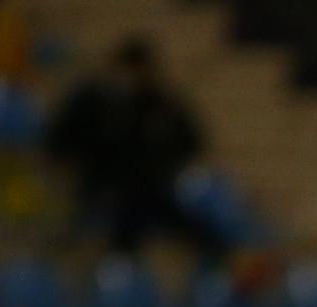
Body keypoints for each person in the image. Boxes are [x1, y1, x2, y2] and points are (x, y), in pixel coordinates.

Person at [45, 38, 225, 259]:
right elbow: (61, 140)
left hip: (151, 188)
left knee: (200, 231)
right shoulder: (93, 102)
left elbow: (190, 141)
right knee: (115, 228)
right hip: (103, 188)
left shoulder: (161, 104)